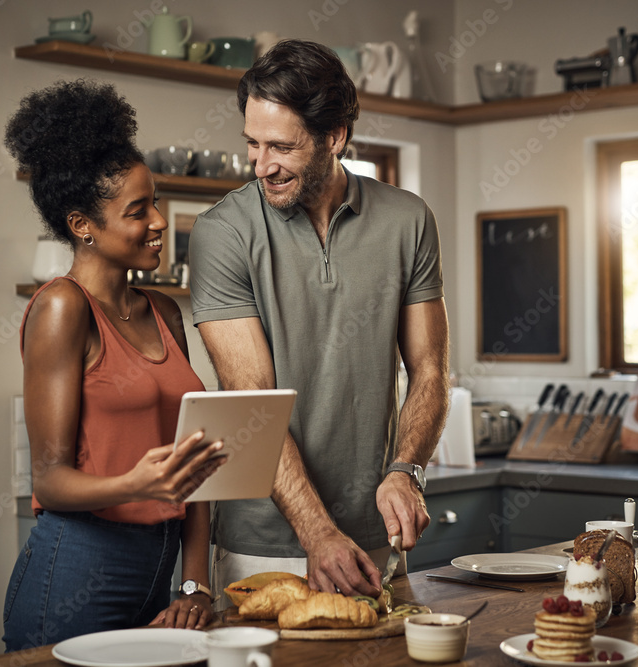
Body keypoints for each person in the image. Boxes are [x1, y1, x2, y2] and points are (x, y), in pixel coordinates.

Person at [189, 40, 450, 603]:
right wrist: (317, 532)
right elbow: (250, 397)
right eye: (252, 145)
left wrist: (407, 470)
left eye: (281, 146)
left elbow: (429, 368)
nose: (261, 166)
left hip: (375, 535)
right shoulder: (222, 233)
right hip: (261, 541)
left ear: (335, 137)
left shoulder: (408, 220)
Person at [1, 79, 224, 651]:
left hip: (161, 574)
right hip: (75, 570)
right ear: (83, 226)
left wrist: (196, 584)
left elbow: (195, 471)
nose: (157, 220)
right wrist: (137, 482)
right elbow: (48, 481)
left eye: (155, 201)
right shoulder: (60, 308)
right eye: (137, 210)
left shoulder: (165, 311)